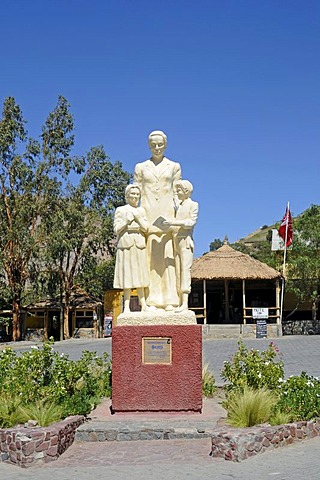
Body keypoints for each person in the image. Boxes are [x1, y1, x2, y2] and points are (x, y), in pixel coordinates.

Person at [134, 130, 181, 310]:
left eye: (160, 144)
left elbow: (177, 192)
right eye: (153, 144)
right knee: (150, 260)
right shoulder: (141, 167)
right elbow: (136, 192)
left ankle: (170, 299)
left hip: (167, 216)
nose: (157, 147)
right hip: (148, 216)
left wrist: (179, 215)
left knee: (169, 258)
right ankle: (151, 300)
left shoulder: (174, 166)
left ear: (165, 144)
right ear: (148, 145)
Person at [162, 180, 198, 312]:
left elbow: (190, 222)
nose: (177, 193)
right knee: (177, 271)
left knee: (185, 271)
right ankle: (178, 301)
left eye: (179, 190)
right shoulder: (179, 206)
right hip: (176, 241)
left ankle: (185, 303)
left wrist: (174, 222)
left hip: (185, 241)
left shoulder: (193, 205)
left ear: (186, 191)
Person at [113, 184, 149, 313]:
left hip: (139, 243)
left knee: (140, 274)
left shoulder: (141, 211)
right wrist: (126, 222)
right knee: (127, 274)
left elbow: (146, 228)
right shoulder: (120, 210)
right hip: (126, 243)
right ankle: (126, 307)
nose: (135, 197)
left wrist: (138, 219)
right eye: (132, 194)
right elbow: (116, 229)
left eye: (137, 194)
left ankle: (143, 304)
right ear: (127, 195)